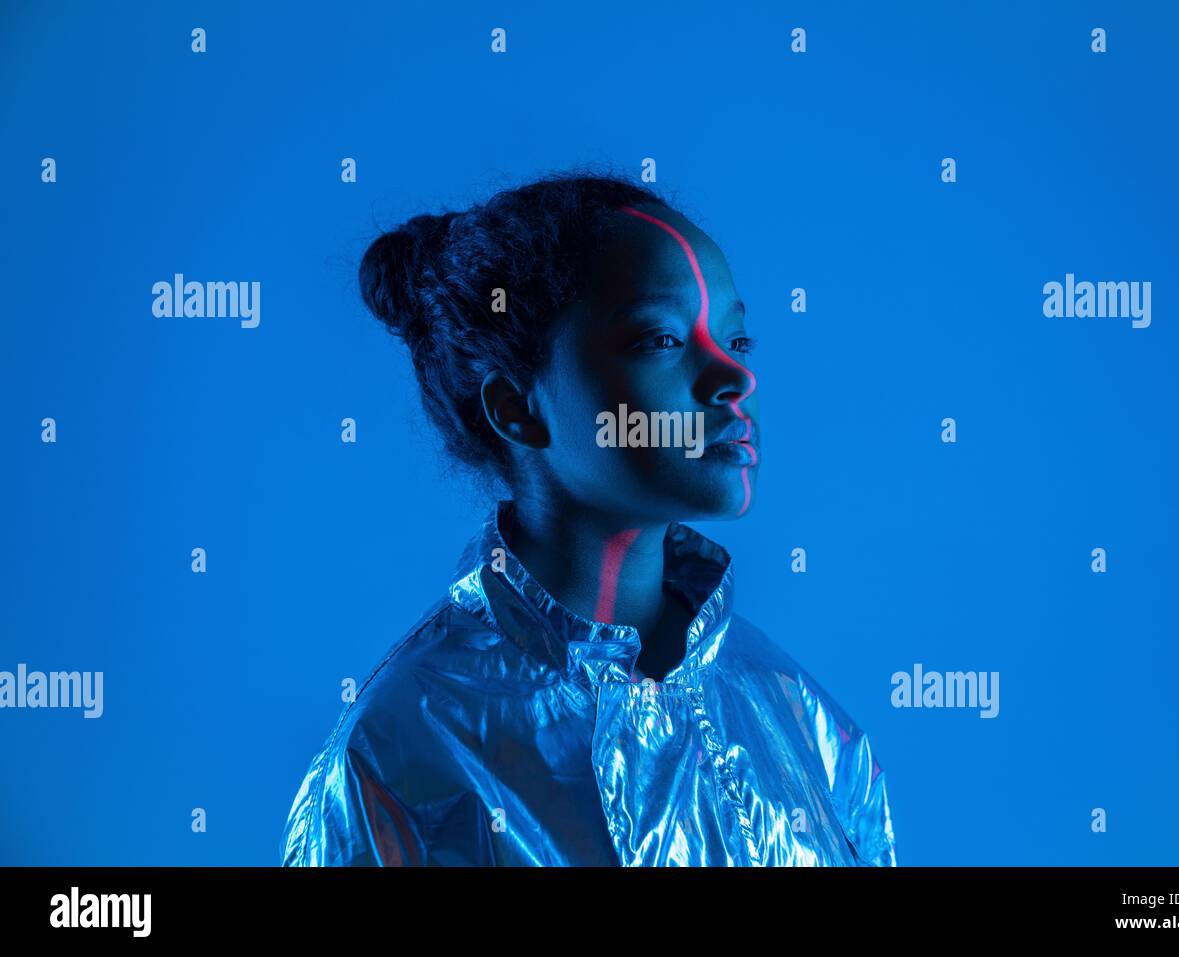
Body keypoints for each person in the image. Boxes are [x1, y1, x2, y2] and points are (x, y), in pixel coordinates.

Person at [278, 170, 897, 866]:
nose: (734, 376)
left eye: (738, 339)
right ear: (516, 406)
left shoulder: (799, 718)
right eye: (661, 339)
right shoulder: (402, 758)